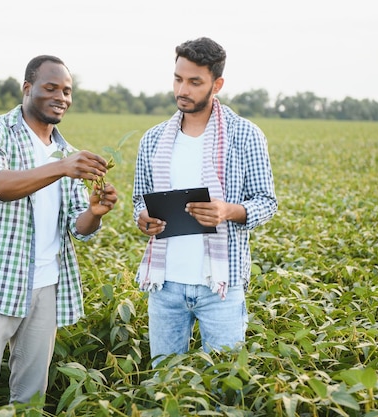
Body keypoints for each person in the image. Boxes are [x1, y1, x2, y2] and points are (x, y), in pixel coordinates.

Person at [0, 55, 118, 416]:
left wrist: (94, 211)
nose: (61, 96)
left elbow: (78, 229)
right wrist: (61, 168)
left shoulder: (66, 151)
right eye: (51, 88)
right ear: (27, 89)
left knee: (30, 400)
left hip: (45, 286)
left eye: (67, 90)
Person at [132, 37, 277, 366]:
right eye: (178, 79)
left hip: (221, 287)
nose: (183, 89)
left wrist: (228, 211)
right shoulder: (153, 139)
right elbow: (139, 200)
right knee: (164, 381)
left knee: (226, 383)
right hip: (165, 285)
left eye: (195, 82)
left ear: (217, 84)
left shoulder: (245, 135)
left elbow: (266, 202)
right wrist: (143, 219)